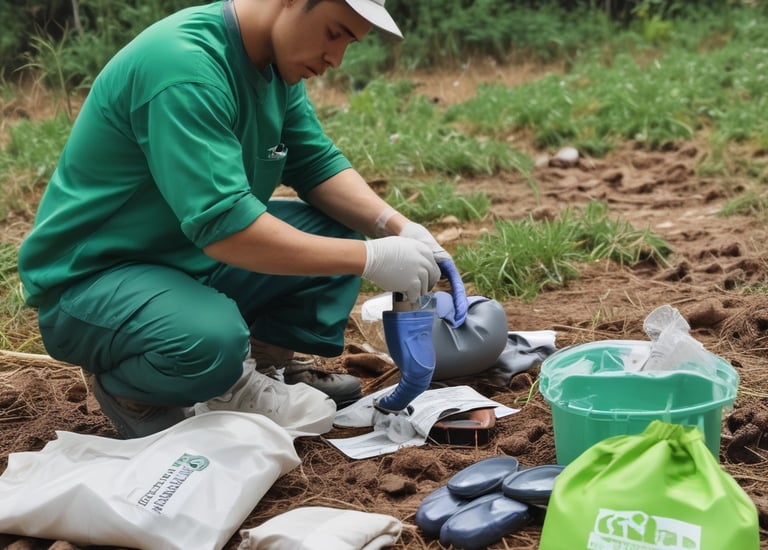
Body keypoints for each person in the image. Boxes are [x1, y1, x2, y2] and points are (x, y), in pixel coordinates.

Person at [17, 0, 457, 439]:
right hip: (94, 280)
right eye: (334, 32)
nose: (336, 59)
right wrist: (369, 257)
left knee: (333, 232)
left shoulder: (272, 64)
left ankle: (259, 368)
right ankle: (144, 391)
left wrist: (394, 226)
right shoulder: (185, 66)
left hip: (183, 257)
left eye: (349, 43)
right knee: (210, 342)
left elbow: (315, 163)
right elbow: (227, 228)